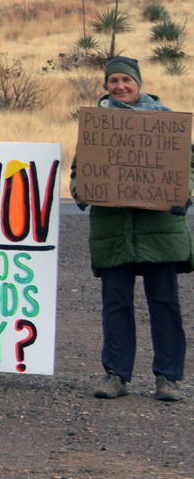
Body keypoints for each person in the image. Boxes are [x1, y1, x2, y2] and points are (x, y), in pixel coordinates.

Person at [79, 57, 187, 402]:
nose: (120, 86)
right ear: (106, 86)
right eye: (113, 81)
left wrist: (184, 192)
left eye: (127, 79)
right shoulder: (97, 126)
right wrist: (82, 188)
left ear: (139, 83)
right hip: (113, 233)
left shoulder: (167, 122)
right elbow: (81, 168)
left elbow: (190, 165)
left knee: (165, 303)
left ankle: (168, 378)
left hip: (160, 231)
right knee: (116, 305)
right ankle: (116, 375)